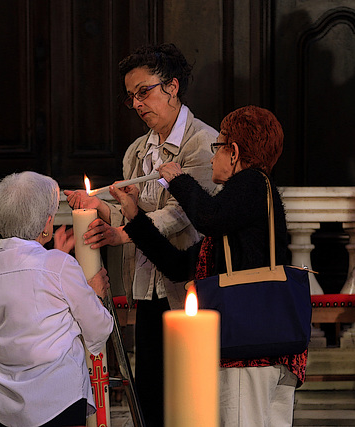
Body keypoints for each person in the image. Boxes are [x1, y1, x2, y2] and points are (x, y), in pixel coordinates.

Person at [97, 106, 307, 427]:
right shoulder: (240, 207)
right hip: (259, 346)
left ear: (233, 152)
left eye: (217, 147)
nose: (212, 159)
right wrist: (134, 216)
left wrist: (178, 178)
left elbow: (208, 217)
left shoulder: (251, 182)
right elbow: (178, 266)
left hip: (248, 351)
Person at [64, 43, 218, 426]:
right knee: (149, 385)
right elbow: (132, 208)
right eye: (130, 96)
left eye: (144, 92)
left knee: (188, 390)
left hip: (187, 282)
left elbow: (181, 215)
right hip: (147, 283)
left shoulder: (202, 141)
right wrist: (98, 206)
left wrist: (120, 232)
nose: (136, 104)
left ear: (172, 87)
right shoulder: (137, 150)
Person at [0, 171, 114, 427]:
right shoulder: (59, 266)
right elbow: (98, 327)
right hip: (56, 399)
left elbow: (20, 304)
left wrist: (55, 262)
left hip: (0, 403)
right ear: (47, 223)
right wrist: (92, 293)